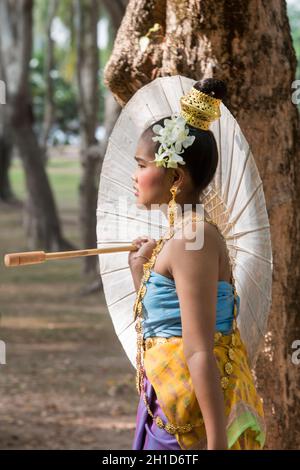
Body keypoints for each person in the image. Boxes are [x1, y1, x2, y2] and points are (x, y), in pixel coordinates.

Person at [128, 78, 266, 450]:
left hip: (194, 418)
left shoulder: (192, 240)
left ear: (175, 177)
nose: (135, 176)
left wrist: (217, 442)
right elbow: (163, 320)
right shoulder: (182, 237)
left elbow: (199, 348)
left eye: (142, 165)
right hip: (168, 401)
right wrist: (141, 271)